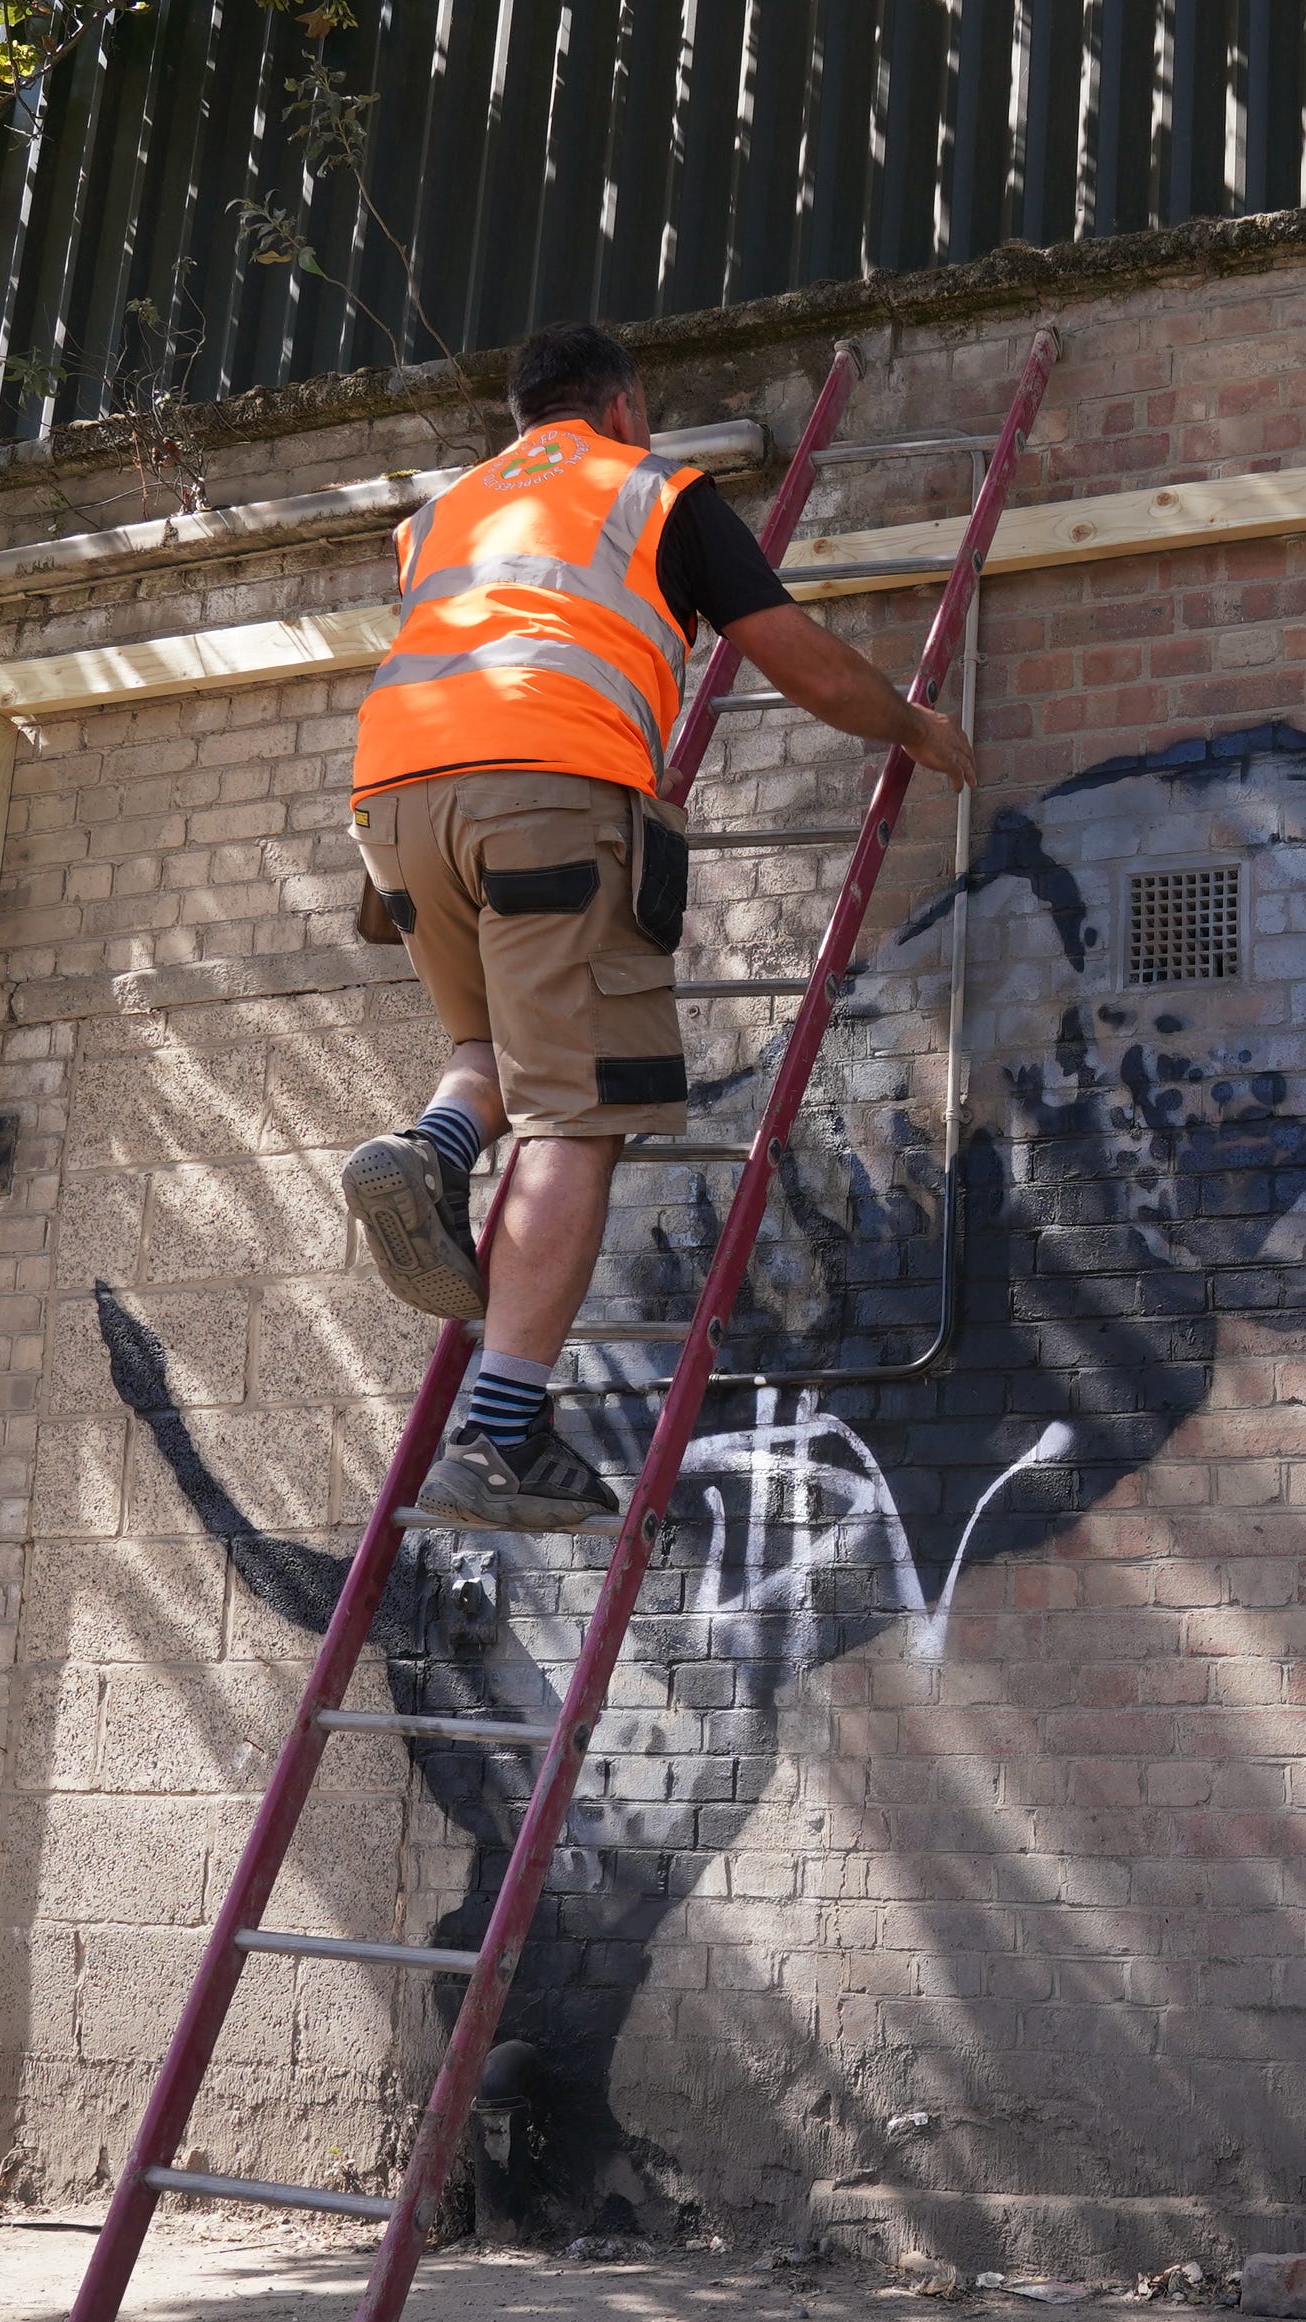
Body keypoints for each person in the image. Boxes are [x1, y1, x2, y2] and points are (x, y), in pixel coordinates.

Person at [335, 321, 976, 1529]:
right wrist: (913, 727)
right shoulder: (654, 488)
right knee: (580, 1112)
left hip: (397, 803)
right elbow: (806, 667)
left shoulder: (443, 513)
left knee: (502, 1050)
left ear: (523, 415)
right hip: (549, 791)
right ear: (625, 406)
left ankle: (431, 1150)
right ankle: (503, 1433)